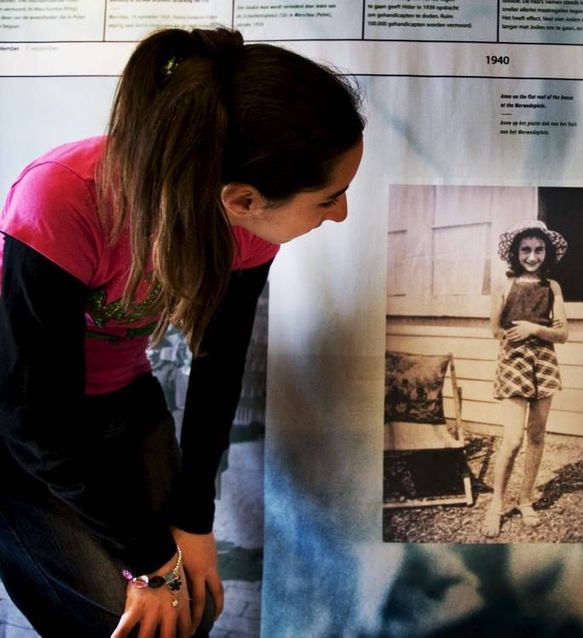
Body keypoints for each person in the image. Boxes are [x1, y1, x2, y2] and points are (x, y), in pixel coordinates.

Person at [0, 27, 365, 636]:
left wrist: (193, 524)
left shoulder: (246, 225)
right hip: (19, 426)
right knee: (123, 621)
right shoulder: (62, 198)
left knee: (192, 608)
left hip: (119, 397)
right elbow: (31, 418)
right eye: (330, 198)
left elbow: (219, 364)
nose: (341, 213)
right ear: (244, 197)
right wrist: (152, 560)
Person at [483, 219, 569, 538]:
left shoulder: (553, 287)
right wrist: (512, 340)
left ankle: (526, 499)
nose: (532, 255)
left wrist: (535, 329)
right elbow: (494, 328)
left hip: (544, 360)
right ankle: (496, 505)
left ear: (546, 253)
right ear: (516, 252)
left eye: (538, 249)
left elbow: (563, 333)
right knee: (513, 438)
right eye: (525, 249)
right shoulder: (503, 283)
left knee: (536, 435)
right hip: (514, 359)